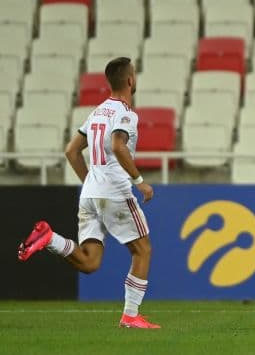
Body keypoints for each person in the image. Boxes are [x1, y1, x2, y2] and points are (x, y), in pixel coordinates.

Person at [17, 57, 159, 329]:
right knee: (143, 250)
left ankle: (50, 238)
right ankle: (130, 316)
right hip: (115, 192)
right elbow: (119, 146)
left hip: (90, 194)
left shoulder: (98, 112)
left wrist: (91, 182)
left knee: (89, 262)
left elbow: (71, 151)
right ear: (130, 80)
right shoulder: (127, 113)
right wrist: (139, 181)